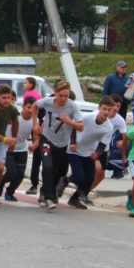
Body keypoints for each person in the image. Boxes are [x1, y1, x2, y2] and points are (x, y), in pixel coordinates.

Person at [34, 81, 84, 211]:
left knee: (58, 171)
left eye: (66, 96)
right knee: (47, 166)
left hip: (62, 144)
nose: (63, 99)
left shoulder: (72, 107)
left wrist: (69, 121)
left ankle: (45, 191)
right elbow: (35, 106)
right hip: (46, 139)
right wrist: (35, 123)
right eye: (60, 95)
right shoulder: (47, 102)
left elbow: (81, 127)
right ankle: (49, 198)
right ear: (55, 94)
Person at [66, 97, 115, 210]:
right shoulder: (87, 117)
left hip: (89, 151)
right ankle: (65, 180)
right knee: (79, 177)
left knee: (89, 178)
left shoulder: (109, 127)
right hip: (74, 149)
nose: (106, 112)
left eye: (109, 110)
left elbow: (103, 145)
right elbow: (74, 127)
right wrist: (73, 142)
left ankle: (74, 198)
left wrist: (97, 154)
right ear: (99, 108)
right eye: (104, 109)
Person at [87, 94, 128, 203]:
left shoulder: (119, 120)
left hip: (104, 148)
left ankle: (84, 192)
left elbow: (125, 139)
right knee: (95, 170)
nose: (115, 108)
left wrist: (124, 157)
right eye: (113, 106)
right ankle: (79, 189)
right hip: (91, 146)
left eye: (118, 106)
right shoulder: (96, 115)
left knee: (101, 175)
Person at [0, 96, 38, 201]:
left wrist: (34, 145)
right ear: (23, 106)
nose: (30, 111)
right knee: (12, 172)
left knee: (20, 175)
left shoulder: (35, 120)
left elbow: (36, 136)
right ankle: (0, 182)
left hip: (22, 149)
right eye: (29, 107)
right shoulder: (14, 116)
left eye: (33, 108)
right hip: (7, 148)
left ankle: (10, 192)